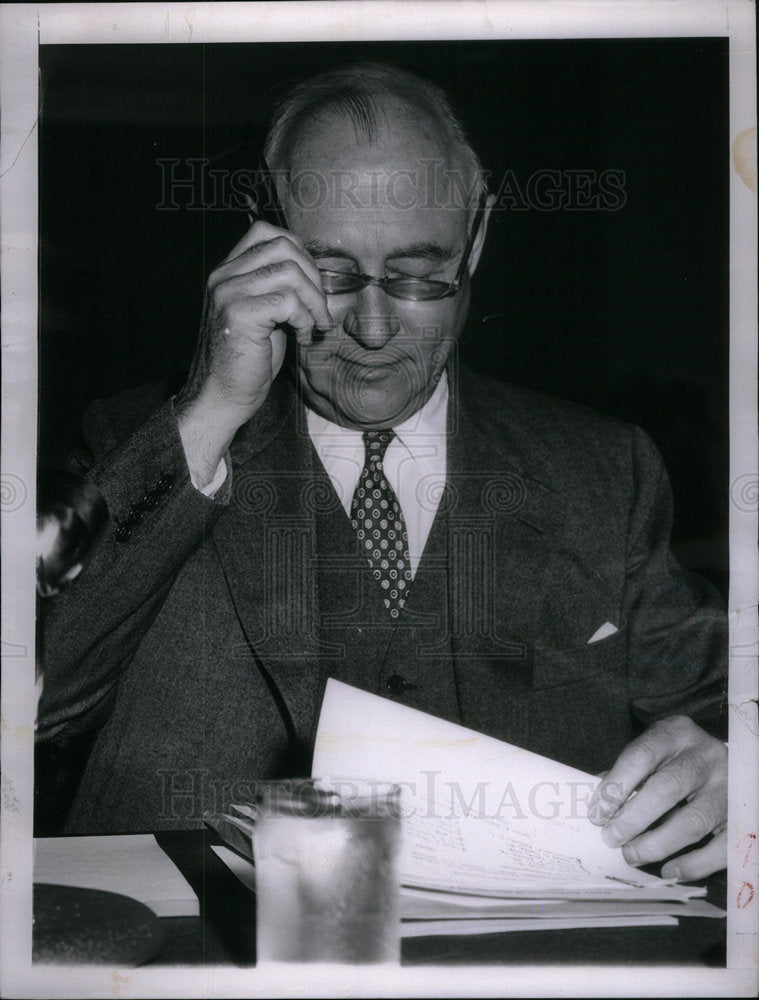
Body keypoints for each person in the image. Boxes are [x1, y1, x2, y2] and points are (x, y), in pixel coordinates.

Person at [38, 62, 727, 881]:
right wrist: (211, 409)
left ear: (475, 240)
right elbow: (36, 704)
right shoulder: (144, 442)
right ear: (263, 240)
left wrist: (733, 757)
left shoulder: (602, 471)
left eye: (415, 276)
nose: (370, 327)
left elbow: (722, 698)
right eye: (330, 273)